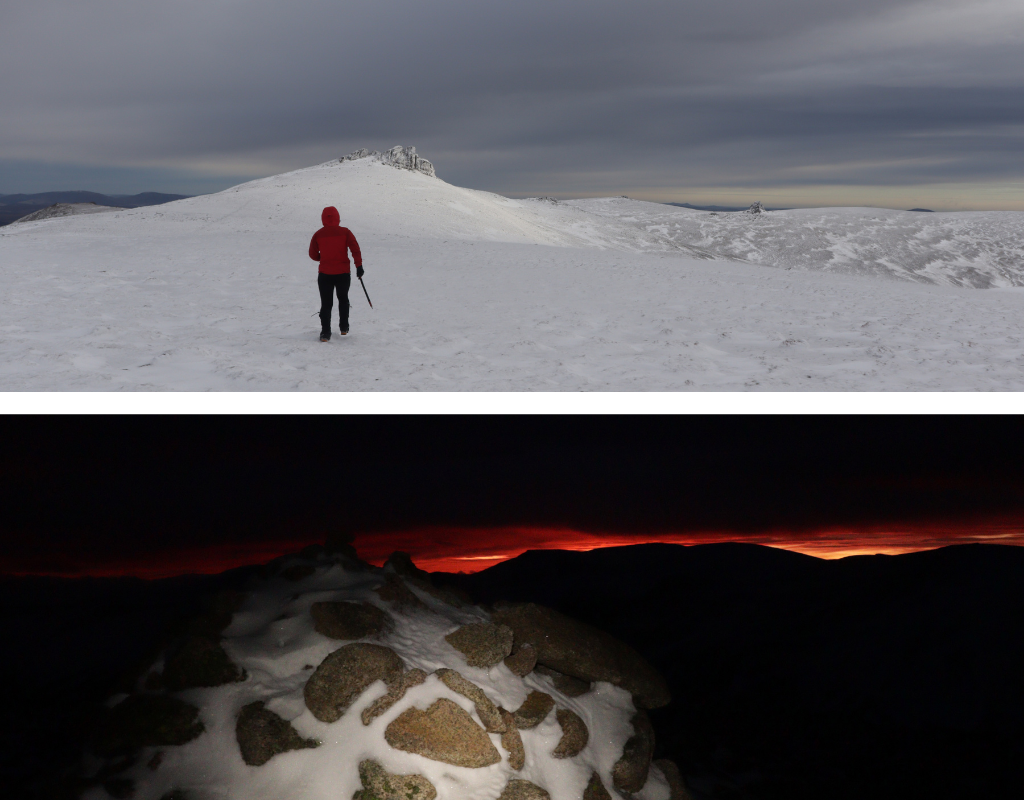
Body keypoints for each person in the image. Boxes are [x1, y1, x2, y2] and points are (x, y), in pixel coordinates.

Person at [309, 206, 363, 341]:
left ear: (323, 218)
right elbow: (355, 249)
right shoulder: (346, 232)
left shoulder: (318, 234)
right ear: (338, 217)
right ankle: (344, 327)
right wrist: (359, 266)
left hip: (325, 273)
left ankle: (325, 333)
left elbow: (312, 253)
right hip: (343, 273)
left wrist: (322, 258)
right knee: (343, 298)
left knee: (326, 303)